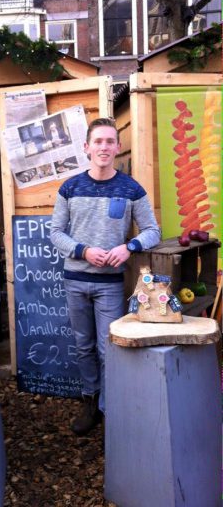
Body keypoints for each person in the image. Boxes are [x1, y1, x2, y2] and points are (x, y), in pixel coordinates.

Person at [50, 117, 160, 435]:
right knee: (83, 346)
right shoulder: (69, 188)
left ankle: (110, 408)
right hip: (75, 280)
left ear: (118, 146)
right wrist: (83, 251)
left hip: (110, 284)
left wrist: (130, 247)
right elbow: (56, 233)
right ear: (86, 147)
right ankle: (90, 399)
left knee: (107, 347)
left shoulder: (130, 189)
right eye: (97, 141)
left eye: (110, 141)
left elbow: (153, 230)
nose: (104, 147)